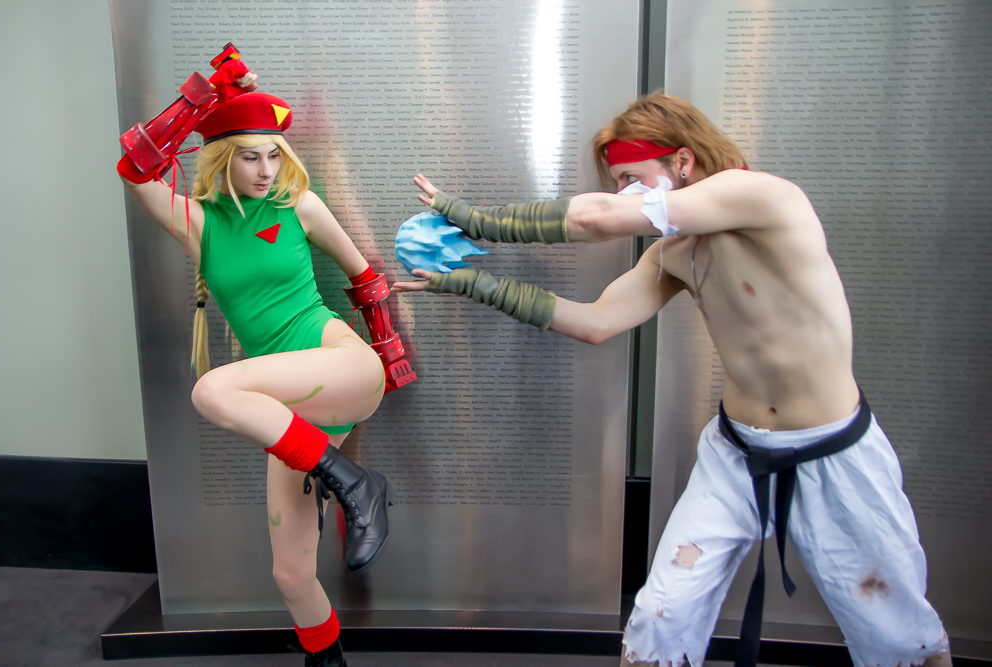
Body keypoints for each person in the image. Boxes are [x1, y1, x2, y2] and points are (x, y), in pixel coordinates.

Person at [393, 92, 951, 667]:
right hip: (735, 454)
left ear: (682, 161)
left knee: (897, 637)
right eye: (617, 184)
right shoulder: (674, 252)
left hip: (834, 453)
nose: (622, 196)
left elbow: (597, 218)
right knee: (661, 619)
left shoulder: (762, 196)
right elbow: (597, 322)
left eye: (631, 179)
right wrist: (470, 284)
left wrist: (474, 219)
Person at [118, 54, 408, 667]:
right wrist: (205, 97)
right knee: (291, 574)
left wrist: (391, 356)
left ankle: (357, 485)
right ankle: (326, 658)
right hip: (293, 415)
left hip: (342, 365)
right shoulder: (198, 222)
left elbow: (366, 279)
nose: (266, 169)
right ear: (222, 157)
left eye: (274, 154)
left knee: (211, 391)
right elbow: (135, 167)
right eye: (250, 156)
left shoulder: (298, 206)